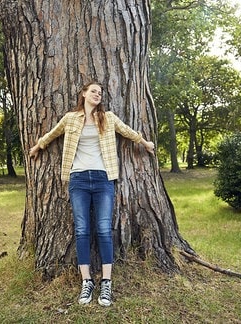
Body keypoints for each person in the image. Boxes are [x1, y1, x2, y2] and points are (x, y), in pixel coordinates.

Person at [29, 81, 155, 307]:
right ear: (84, 93)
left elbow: (127, 131)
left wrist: (145, 143)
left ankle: (106, 281)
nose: (97, 94)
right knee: (82, 229)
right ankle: (86, 281)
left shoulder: (107, 118)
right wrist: (38, 146)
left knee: (104, 229)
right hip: (78, 179)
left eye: (100, 92)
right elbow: (52, 134)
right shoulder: (70, 118)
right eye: (93, 91)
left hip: (103, 178)